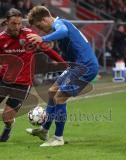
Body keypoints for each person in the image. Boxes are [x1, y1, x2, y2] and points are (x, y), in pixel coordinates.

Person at [0, 8, 65, 147]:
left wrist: (64, 64)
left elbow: (47, 50)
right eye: (14, 23)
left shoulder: (29, 35)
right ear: (7, 22)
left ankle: (8, 127)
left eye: (19, 23)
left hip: (23, 83)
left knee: (6, 117)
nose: (17, 26)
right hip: (5, 79)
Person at [25, 6, 99, 147]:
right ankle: (44, 130)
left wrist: (43, 38)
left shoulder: (60, 23)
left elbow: (63, 31)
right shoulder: (59, 26)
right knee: (52, 91)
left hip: (85, 66)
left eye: (40, 26)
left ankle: (58, 138)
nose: (41, 30)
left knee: (60, 97)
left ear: (46, 19)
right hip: (76, 66)